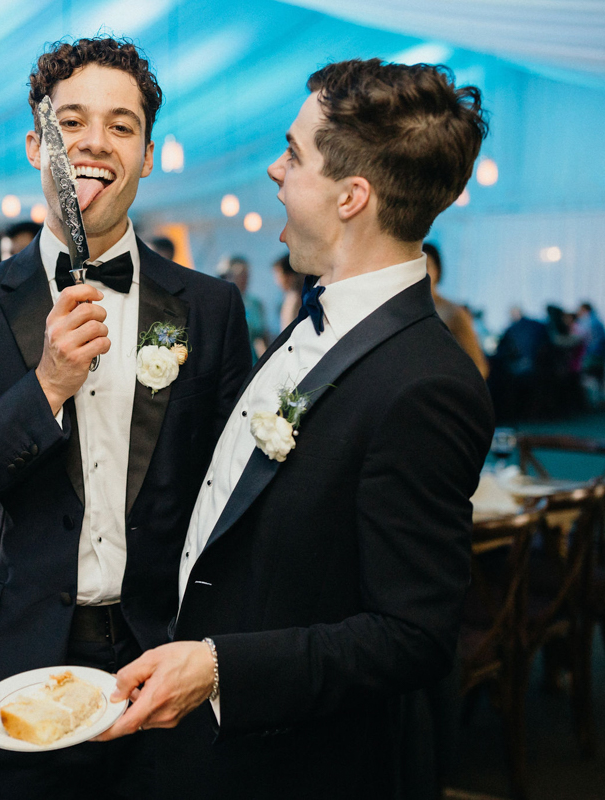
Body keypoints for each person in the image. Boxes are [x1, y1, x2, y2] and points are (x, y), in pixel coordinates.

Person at [98, 60, 494, 800]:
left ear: (352, 196)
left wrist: (219, 667)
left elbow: (413, 636)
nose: (276, 169)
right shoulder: (313, 323)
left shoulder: (426, 382)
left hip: (295, 761)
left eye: (294, 152)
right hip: (203, 738)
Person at [0, 36, 252, 799]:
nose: (96, 142)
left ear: (149, 154)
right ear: (37, 145)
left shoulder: (211, 308)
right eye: (72, 123)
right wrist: (47, 385)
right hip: (13, 669)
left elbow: (238, 502)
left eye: (122, 126)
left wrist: (218, 654)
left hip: (160, 662)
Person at [423, 243, 488, 378]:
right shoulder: (403, 310)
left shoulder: (454, 312)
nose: (421, 273)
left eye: (426, 266)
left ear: (437, 270)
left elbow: (478, 366)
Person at [216, 255, 269, 359]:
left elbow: (261, 337)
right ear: (228, 276)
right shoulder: (221, 303)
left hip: (252, 361)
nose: (244, 279)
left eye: (246, 274)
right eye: (240, 275)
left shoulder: (255, 303)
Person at [575, 301, 605, 409]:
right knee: (599, 380)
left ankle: (593, 404)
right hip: (601, 354)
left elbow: (581, 338)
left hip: (592, 355)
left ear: (584, 310)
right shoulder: (598, 321)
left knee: (590, 379)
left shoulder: (587, 322)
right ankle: (600, 403)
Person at [272, 252, 301, 329]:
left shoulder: (294, 298)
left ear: (290, 276)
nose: (277, 281)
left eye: (278, 276)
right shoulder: (290, 296)